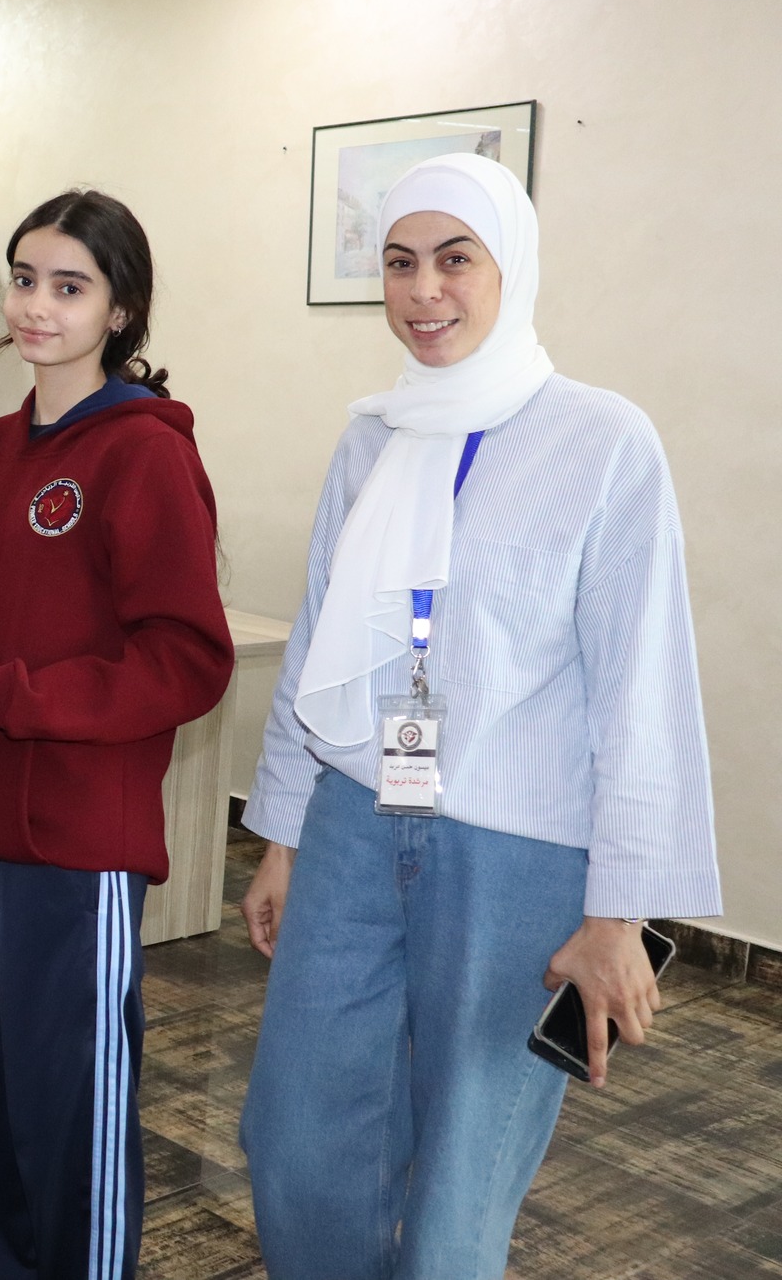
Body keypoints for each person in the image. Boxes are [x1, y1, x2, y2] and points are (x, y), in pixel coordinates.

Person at [235, 153, 720, 1279]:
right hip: (354, 821)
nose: (423, 291)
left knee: (460, 1174)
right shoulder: (372, 436)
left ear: (513, 268)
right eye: (399, 263)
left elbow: (642, 686)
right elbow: (318, 641)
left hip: (516, 852)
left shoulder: (602, 441)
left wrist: (617, 914)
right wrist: (282, 837)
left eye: (455, 259)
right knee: (295, 1135)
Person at [0, 190, 234, 1280]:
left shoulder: (144, 453)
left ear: (120, 310)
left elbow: (185, 660)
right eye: (23, 280)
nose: (36, 305)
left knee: (70, 1120)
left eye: (69, 287)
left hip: (75, 842)